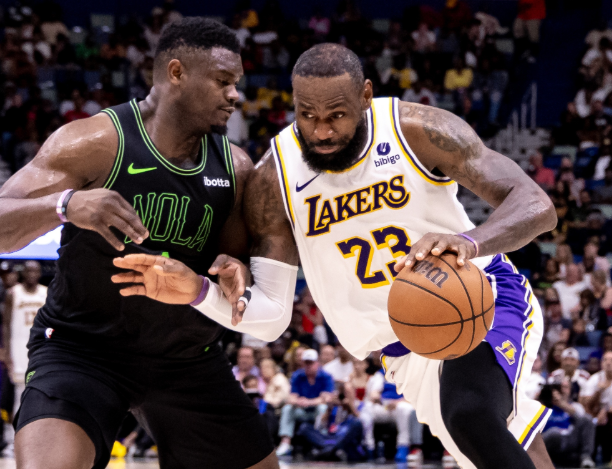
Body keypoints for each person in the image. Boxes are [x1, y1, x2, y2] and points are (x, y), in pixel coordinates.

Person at [117, 43, 558, 469]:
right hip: (403, 349)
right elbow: (271, 318)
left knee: (470, 413)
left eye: (336, 115)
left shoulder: (416, 130)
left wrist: (471, 241)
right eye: (307, 115)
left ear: (365, 95)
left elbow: (536, 205)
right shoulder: (275, 177)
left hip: (480, 301)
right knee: (502, 443)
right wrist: (200, 292)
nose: (322, 131)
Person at [0, 18, 288, 469]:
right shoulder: (94, 142)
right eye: (222, 81)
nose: (235, 95)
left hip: (186, 359)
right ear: (176, 73)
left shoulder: (235, 167)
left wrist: (238, 271)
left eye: (236, 83)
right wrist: (66, 204)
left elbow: (237, 270)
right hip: (82, 351)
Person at [1, 260, 47, 455]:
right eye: (28, 271)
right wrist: (6, 351)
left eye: (35, 271)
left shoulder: (46, 292)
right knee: (20, 394)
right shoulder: (13, 293)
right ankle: (14, 439)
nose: (31, 274)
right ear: (23, 273)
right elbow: (6, 324)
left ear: (40, 273)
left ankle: (40, 440)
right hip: (19, 348)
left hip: (41, 347)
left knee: (42, 393)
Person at [277, 349, 335, 456]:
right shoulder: (297, 376)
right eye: (306, 362)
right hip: (302, 410)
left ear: (317, 363)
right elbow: (292, 397)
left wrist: (309, 402)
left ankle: (320, 440)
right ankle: (285, 442)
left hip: (316, 410)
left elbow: (327, 398)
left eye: (311, 363)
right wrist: (299, 401)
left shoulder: (326, 376)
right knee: (287, 409)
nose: (308, 366)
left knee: (323, 408)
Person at [539, 379, 595, 468]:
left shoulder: (575, 406)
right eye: (559, 387)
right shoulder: (542, 407)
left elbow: (584, 422)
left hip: (569, 439)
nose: (562, 390)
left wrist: (562, 404)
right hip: (549, 439)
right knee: (554, 432)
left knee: (587, 419)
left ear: (570, 390)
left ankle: (585, 457)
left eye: (566, 387)